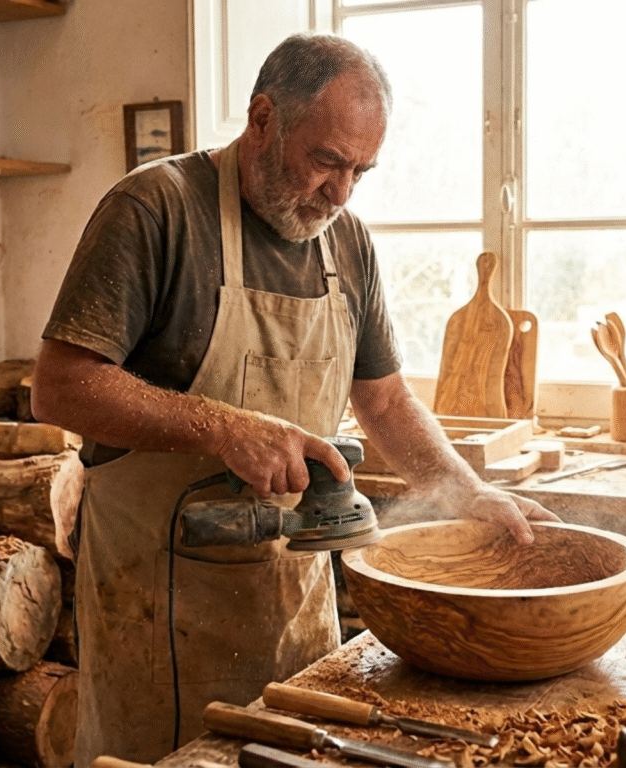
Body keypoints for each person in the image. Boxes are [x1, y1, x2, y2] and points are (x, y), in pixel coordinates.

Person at [31, 32, 559, 767]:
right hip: (161, 617)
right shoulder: (156, 209)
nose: (341, 193)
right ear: (263, 117)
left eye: (360, 172)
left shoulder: (348, 244)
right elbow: (59, 386)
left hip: (294, 609)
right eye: (326, 162)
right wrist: (224, 428)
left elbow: (385, 400)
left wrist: (464, 493)